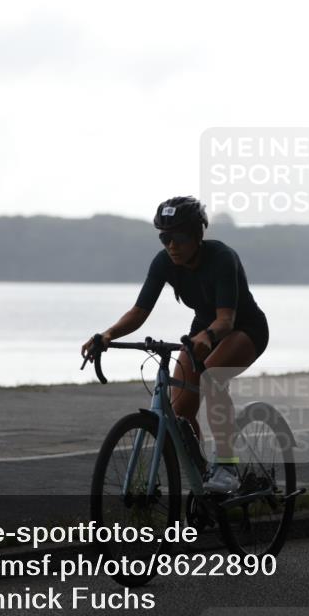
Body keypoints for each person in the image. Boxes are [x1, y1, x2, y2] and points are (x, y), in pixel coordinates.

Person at [81, 196, 270, 494]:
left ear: (198, 235)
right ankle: (204, 476)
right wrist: (107, 335)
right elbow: (138, 312)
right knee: (180, 413)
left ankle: (227, 467)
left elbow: (225, 320)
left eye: (179, 237)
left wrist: (207, 337)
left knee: (212, 377)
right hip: (202, 332)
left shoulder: (222, 257)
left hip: (243, 329)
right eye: (165, 237)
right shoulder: (164, 263)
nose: (172, 245)